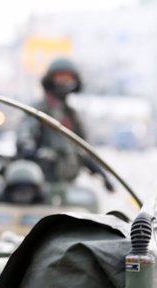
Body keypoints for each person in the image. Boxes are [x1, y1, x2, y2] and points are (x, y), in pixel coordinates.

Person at [15, 57, 115, 192]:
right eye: (61, 78)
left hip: (67, 183)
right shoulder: (40, 109)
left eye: (69, 79)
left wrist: (99, 172)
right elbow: (26, 131)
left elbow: (81, 148)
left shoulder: (71, 115)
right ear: (51, 80)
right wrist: (28, 148)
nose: (65, 83)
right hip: (43, 183)